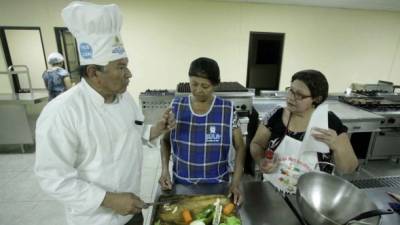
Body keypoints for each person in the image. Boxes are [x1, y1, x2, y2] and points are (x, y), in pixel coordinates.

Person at [34, 2, 175, 225]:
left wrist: (157, 129)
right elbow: (53, 178)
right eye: (120, 67)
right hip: (95, 219)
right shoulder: (62, 112)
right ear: (93, 72)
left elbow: (134, 132)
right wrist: (108, 199)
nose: (129, 74)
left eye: (126, 65)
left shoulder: (125, 99)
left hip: (132, 211)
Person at [250, 69, 358, 193]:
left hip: (313, 196)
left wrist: (338, 146)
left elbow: (349, 168)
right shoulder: (276, 115)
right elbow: (256, 144)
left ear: (316, 99)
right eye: (291, 90)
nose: (291, 98)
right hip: (273, 190)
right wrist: (261, 160)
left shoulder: (330, 122)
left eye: (299, 95)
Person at [158, 57, 246, 204]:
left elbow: (240, 146)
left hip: (217, 184)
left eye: (205, 86)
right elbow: (165, 140)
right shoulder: (176, 106)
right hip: (182, 183)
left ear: (215, 84)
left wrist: (235, 183)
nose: (198, 90)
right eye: (194, 84)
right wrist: (165, 170)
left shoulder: (227, 109)